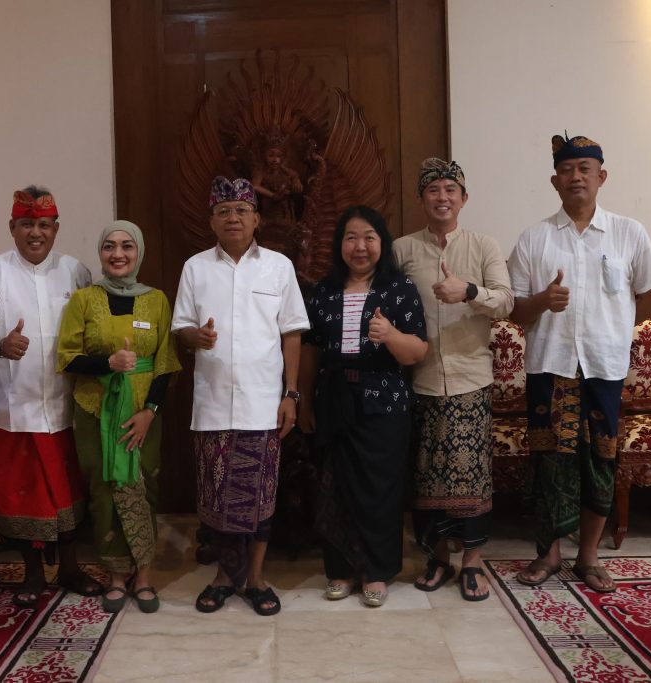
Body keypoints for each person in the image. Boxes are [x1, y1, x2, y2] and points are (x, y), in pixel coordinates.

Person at [508, 134, 651, 592]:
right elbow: (515, 311)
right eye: (567, 169)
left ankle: (589, 558)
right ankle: (549, 554)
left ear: (602, 177)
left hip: (603, 366)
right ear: (554, 180)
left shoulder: (628, 233)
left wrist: (613, 324)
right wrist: (543, 300)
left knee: (601, 458)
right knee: (549, 460)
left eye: (585, 169)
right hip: (549, 364)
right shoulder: (534, 238)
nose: (575, 177)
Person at [172, 176, 309, 616]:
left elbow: (292, 333)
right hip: (212, 405)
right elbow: (181, 328)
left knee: (260, 498)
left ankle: (255, 579)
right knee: (216, 498)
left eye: (242, 211)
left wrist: (291, 393)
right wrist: (195, 336)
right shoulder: (195, 268)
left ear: (257, 219)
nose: (233, 218)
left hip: (263, 404)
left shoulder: (278, 266)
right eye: (224, 211)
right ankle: (222, 577)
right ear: (212, 220)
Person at [0, 186, 101, 607]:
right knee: (21, 496)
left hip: (65, 409)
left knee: (67, 493)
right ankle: (32, 574)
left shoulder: (76, 272)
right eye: (27, 224)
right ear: (12, 227)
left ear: (56, 228)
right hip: (13, 412)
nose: (35, 233)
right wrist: (0, 345)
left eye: (44, 224)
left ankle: (71, 568)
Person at [393, 159, 513, 601]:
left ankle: (473, 561)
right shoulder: (403, 249)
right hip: (419, 379)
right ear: (421, 198)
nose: (442, 197)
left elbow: (506, 301)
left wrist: (470, 292)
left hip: (470, 378)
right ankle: (438, 558)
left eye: (450, 190)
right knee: (426, 475)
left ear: (464, 198)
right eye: (433, 190)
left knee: (471, 476)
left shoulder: (483, 246)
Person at [298, 205, 428, 607]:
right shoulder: (324, 290)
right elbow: (310, 350)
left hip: (384, 404)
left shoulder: (399, 288)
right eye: (351, 237)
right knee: (334, 486)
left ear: (381, 243)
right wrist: (303, 401)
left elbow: (417, 351)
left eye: (369, 237)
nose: (360, 246)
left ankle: (376, 571)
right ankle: (340, 569)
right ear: (340, 244)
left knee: (379, 490)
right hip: (334, 399)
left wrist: (390, 335)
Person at [57, 220, 181, 613]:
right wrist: (107, 363)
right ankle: (114, 575)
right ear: (101, 253)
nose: (118, 254)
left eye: (127, 246)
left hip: (143, 412)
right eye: (109, 246)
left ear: (138, 252)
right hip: (94, 410)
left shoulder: (157, 300)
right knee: (103, 489)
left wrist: (149, 412)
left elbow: (165, 363)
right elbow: (67, 357)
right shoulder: (83, 300)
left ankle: (143, 576)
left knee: (144, 487)